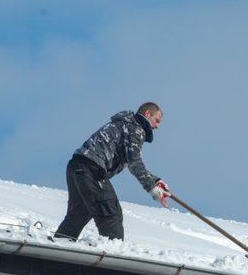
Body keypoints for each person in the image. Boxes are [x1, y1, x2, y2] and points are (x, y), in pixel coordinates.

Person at [55, 102, 171, 242]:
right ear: (147, 114)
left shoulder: (125, 125)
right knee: (111, 214)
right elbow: (134, 162)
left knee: (81, 212)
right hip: (92, 169)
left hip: (76, 166)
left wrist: (155, 180)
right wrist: (151, 187)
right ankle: (111, 253)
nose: (156, 126)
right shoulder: (136, 128)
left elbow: (131, 160)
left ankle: (60, 243)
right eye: (156, 120)